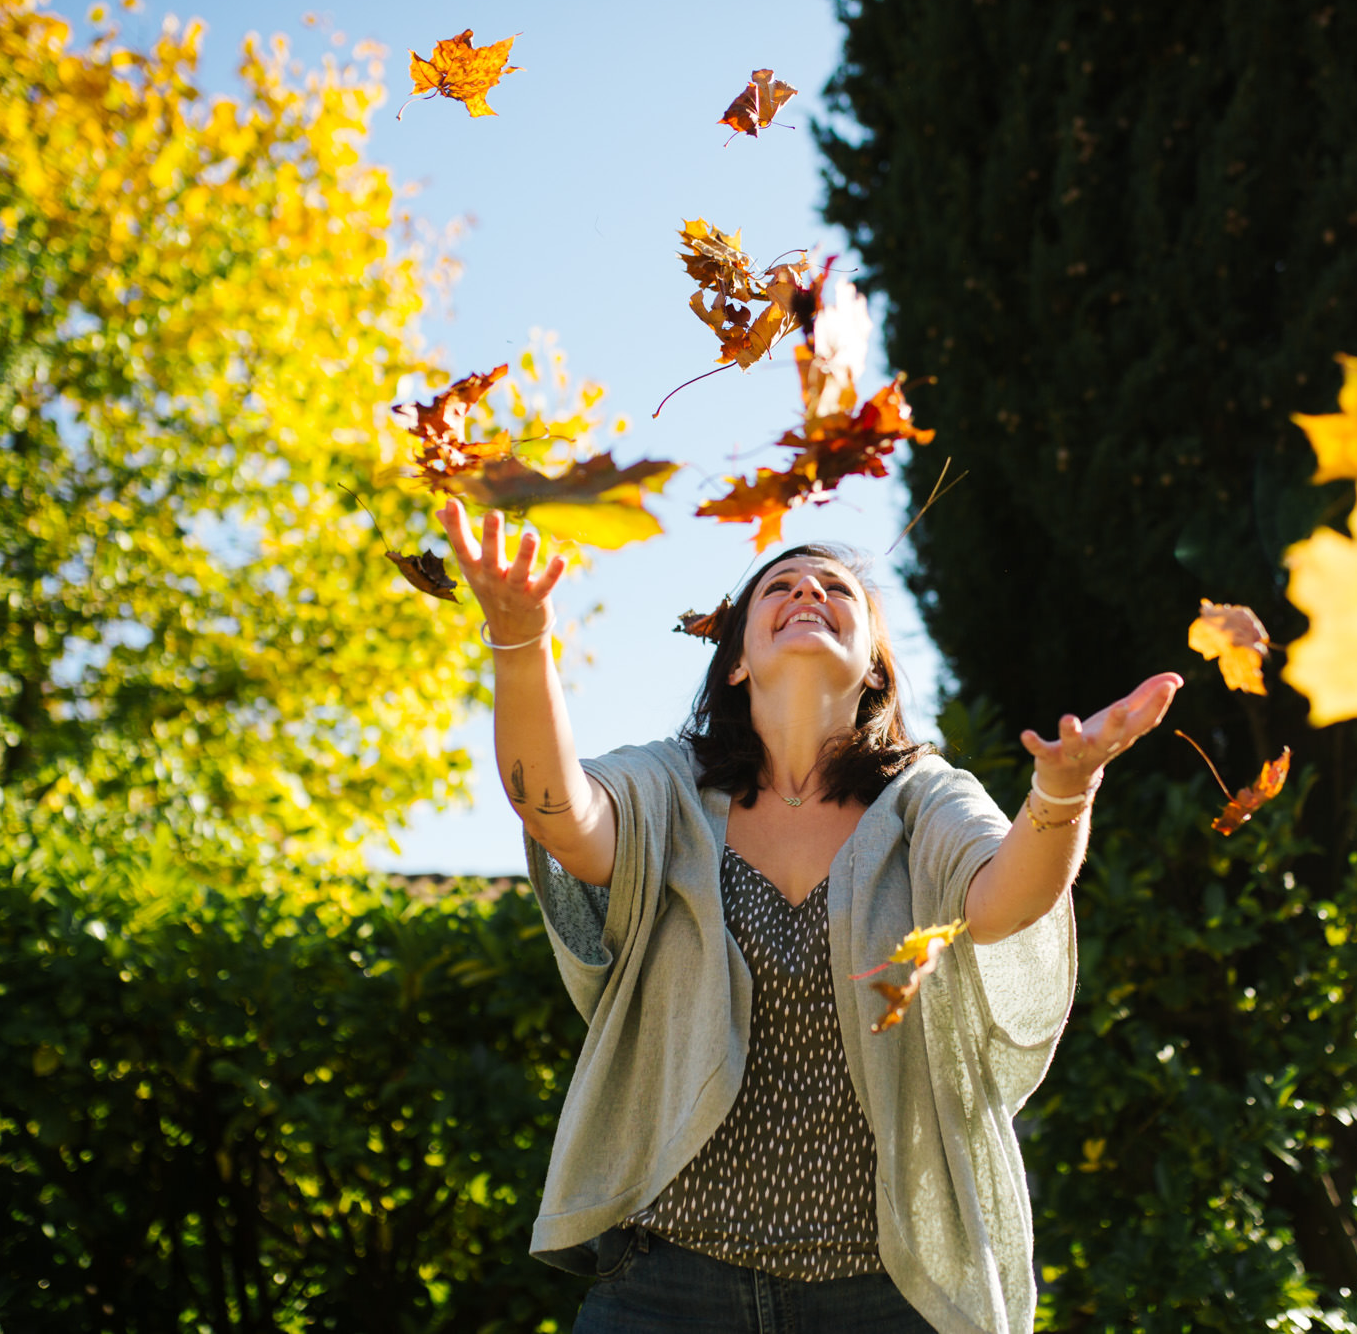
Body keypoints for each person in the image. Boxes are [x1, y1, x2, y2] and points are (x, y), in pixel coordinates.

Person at [439, 500, 1181, 1334]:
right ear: (736, 665)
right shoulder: (668, 788)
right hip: (668, 1285)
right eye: (779, 586)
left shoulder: (925, 798)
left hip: (885, 1293)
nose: (808, 591)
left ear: (874, 669)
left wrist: (1063, 792)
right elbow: (560, 813)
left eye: (837, 589)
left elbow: (1003, 899)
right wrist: (519, 637)